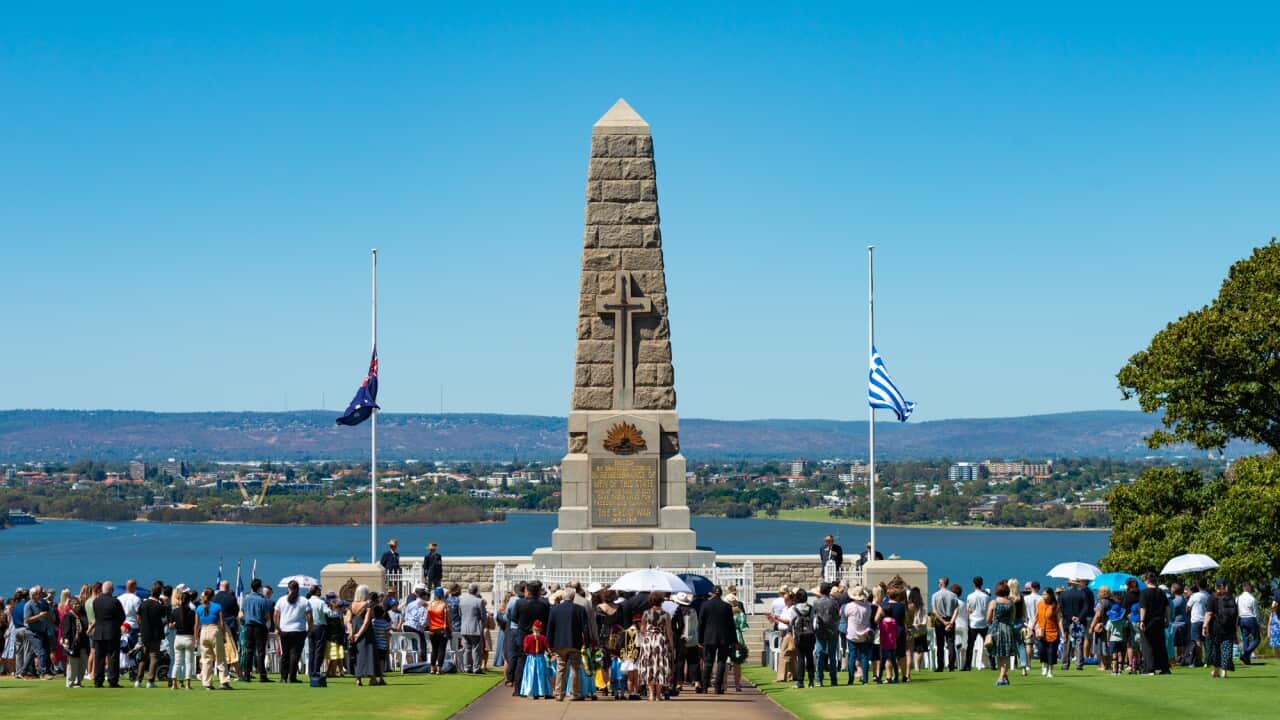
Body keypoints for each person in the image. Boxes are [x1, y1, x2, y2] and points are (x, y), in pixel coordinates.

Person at [546, 587, 588, 701]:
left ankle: (559, 694)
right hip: (575, 642)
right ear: (573, 597)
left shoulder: (554, 609)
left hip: (559, 643)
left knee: (561, 668)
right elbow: (585, 628)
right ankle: (575, 693)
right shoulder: (580, 609)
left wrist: (549, 644)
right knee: (575, 668)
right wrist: (587, 642)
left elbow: (550, 628)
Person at [696, 585, 735, 694]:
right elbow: (731, 625)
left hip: (709, 637)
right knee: (721, 662)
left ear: (712, 593)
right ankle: (718, 687)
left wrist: (700, 639)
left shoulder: (705, 605)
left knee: (708, 662)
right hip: (723, 638)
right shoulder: (726, 606)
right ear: (721, 594)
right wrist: (734, 640)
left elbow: (701, 624)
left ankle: (705, 687)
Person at [636, 592, 672, 702]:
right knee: (660, 666)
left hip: (648, 640)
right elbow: (669, 632)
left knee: (649, 665)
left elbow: (642, 629)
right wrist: (671, 645)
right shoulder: (666, 614)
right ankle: (658, 695)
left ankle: (651, 694)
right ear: (661, 601)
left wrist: (645, 636)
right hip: (660, 640)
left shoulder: (646, 613)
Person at [273, 580, 311, 683]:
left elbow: (275, 615)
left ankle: (283, 677)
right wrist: (310, 628)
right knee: (295, 654)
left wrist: (277, 627)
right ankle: (292, 677)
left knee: (285, 654)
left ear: (288, 588)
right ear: (298, 589)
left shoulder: (281, 600)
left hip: (284, 630)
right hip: (299, 630)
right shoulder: (304, 601)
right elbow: (309, 616)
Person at [195, 587, 232, 690]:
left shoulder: (199, 608)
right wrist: (223, 635)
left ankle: (207, 683)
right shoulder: (217, 607)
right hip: (214, 630)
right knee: (220, 658)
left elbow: (196, 625)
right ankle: (224, 682)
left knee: (206, 659)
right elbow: (221, 623)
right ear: (213, 596)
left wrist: (196, 638)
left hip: (203, 631)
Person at [90, 580, 125, 688]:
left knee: (99, 658)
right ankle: (112, 680)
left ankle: (98, 680)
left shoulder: (96, 601)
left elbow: (97, 616)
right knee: (113, 657)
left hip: (99, 632)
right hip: (112, 632)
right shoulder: (115, 601)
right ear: (112, 590)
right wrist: (115, 625)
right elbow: (122, 617)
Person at [135, 580, 169, 688]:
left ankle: (138, 680)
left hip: (145, 633)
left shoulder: (143, 604)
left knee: (143, 657)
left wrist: (142, 626)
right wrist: (163, 603)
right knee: (154, 657)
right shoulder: (159, 606)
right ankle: (150, 680)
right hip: (155, 634)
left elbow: (138, 617)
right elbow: (164, 617)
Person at [1203, 578, 1238, 679]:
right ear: (1225, 586)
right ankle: (1224, 672)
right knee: (1226, 649)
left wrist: (1205, 626)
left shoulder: (1212, 598)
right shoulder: (1231, 597)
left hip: (1215, 628)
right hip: (1229, 628)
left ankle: (1216, 671)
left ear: (1215, 586)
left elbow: (1209, 613)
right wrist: (1235, 629)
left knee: (1216, 650)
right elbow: (1235, 615)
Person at [239, 578, 272, 682]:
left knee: (249, 651)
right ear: (259, 588)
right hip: (259, 626)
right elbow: (267, 616)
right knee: (261, 651)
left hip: (249, 626)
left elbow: (241, 614)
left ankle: (247, 675)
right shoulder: (263, 600)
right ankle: (262, 675)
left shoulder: (246, 599)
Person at [1138, 571, 1171, 675]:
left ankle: (1150, 668)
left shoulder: (1144, 593)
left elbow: (1143, 608)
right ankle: (1164, 668)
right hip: (1159, 621)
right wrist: (1167, 619)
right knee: (1160, 645)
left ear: (1147, 580)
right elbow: (1167, 607)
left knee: (1147, 645)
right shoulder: (1161, 592)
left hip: (1148, 621)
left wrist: (1141, 620)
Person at [1058, 578, 1093, 671]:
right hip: (1080, 621)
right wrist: (1079, 617)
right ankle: (1079, 664)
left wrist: (1070, 617)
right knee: (1079, 642)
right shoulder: (1083, 593)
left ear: (1069, 584)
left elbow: (1061, 608)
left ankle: (1065, 664)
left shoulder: (1063, 594)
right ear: (1077, 584)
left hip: (1067, 621)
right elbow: (1086, 607)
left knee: (1067, 642)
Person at [986, 581, 1017, 687]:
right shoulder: (1011, 603)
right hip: (1007, 629)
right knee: (1006, 654)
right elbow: (1012, 618)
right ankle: (1004, 676)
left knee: (998, 654)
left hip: (996, 629)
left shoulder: (993, 602)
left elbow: (988, 619)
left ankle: (1001, 678)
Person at [843, 586, 875, 685]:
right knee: (864, 657)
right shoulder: (868, 606)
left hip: (852, 634)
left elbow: (846, 618)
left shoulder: (849, 606)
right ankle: (865, 679)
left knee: (852, 657)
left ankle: (851, 679)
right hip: (864, 634)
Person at [812, 581, 841, 686]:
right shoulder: (834, 602)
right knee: (832, 656)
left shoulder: (816, 602)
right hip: (832, 631)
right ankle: (833, 679)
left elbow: (813, 617)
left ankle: (819, 679)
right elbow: (837, 616)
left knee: (820, 655)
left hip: (820, 631)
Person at [21, 586, 54, 679]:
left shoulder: (39, 603)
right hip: (32, 632)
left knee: (31, 653)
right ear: (32, 595)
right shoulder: (28, 605)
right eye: (37, 594)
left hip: (40, 631)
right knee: (41, 651)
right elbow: (27, 620)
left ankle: (22, 672)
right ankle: (43, 673)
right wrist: (39, 616)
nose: (40, 595)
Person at [671, 592, 701, 692]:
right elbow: (696, 625)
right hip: (693, 639)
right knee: (694, 661)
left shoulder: (677, 611)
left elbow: (675, 626)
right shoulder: (693, 611)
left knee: (680, 662)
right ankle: (697, 682)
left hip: (681, 640)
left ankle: (679, 683)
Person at [930, 576, 959, 672]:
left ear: (942, 583)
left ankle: (940, 666)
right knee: (951, 643)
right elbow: (956, 610)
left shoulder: (935, 595)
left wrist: (943, 622)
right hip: (950, 619)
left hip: (940, 621)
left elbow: (934, 611)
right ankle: (951, 666)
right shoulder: (953, 595)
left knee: (940, 644)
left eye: (939, 582)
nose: (938, 584)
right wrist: (951, 622)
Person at [351, 585, 378, 686]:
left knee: (357, 655)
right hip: (366, 632)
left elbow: (347, 620)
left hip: (355, 629)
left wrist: (352, 633)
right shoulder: (368, 604)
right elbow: (366, 622)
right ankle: (372, 678)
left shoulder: (352, 604)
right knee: (369, 654)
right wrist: (359, 634)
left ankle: (358, 679)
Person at [60, 595, 89, 688]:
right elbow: (66, 630)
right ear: (71, 605)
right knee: (73, 664)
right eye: (75, 604)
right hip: (73, 643)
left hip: (83, 642)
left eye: (78, 604)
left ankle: (78, 681)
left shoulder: (82, 615)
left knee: (83, 663)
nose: (77, 605)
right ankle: (71, 682)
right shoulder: (68, 616)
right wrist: (66, 640)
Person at [170, 588, 196, 690]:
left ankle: (174, 683)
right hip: (188, 637)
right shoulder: (192, 612)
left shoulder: (175, 611)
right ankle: (188, 684)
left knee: (177, 662)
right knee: (188, 662)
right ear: (189, 601)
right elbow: (194, 626)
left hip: (178, 638)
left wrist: (175, 625)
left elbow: (171, 625)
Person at [459, 583, 488, 674]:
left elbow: (460, 614)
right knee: (476, 649)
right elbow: (483, 616)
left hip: (464, 627)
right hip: (475, 627)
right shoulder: (479, 601)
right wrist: (483, 625)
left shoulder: (462, 600)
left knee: (467, 649)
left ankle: (467, 667)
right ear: (476, 591)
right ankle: (476, 668)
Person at [520, 620, 553, 699]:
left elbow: (525, 649)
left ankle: (532, 692)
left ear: (532, 628)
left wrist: (527, 651)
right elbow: (547, 648)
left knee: (531, 675)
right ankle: (544, 691)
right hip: (540, 658)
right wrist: (551, 654)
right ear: (541, 629)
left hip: (531, 658)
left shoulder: (528, 638)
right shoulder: (543, 638)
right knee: (541, 674)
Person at [963, 576, 989, 671]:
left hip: (973, 623)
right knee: (988, 644)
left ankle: (968, 665)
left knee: (970, 646)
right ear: (982, 584)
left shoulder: (970, 596)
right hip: (983, 623)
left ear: (974, 584)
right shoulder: (986, 597)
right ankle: (993, 664)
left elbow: (968, 610)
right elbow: (988, 609)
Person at [1035, 588, 1062, 677]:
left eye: (1045, 594)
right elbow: (1037, 616)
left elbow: (1059, 620)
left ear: (1050, 595)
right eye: (1042, 594)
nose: (1043, 596)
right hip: (1041, 633)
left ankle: (1050, 671)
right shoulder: (1040, 604)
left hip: (1053, 632)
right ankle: (1044, 665)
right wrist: (1031, 627)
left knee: (1051, 652)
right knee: (1042, 650)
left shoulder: (1055, 606)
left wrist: (1062, 632)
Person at [427, 587, 451, 675]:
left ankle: (432, 668)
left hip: (432, 629)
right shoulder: (444, 605)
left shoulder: (430, 605)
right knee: (441, 649)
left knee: (434, 649)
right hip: (442, 629)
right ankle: (439, 669)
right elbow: (448, 619)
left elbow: (428, 617)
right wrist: (450, 630)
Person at [306, 586, 329, 680]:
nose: (320, 592)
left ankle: (311, 671)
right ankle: (316, 671)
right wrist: (334, 609)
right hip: (319, 626)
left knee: (311, 650)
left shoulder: (307, 601)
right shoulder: (321, 602)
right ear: (316, 592)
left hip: (309, 626)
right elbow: (328, 612)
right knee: (319, 650)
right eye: (319, 591)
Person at [1186, 580, 1210, 667]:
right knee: (1206, 641)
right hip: (1206, 620)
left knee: (1197, 641)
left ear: (1198, 586)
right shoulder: (1208, 596)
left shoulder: (1194, 596)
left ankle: (1199, 660)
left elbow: (1187, 607)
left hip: (1196, 620)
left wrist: (1189, 613)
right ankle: (1208, 659)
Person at [1237, 581, 1260, 664]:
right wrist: (1258, 622)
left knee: (1245, 639)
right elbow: (1256, 612)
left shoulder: (1238, 598)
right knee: (1257, 639)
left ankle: (1247, 660)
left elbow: (1236, 610)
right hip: (1251, 618)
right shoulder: (1252, 598)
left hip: (1241, 619)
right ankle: (1245, 654)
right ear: (1248, 587)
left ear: (1243, 588)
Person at [1169, 582, 1189, 665]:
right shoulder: (1182, 598)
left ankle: (1180, 659)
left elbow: (1169, 608)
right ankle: (1182, 659)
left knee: (1179, 643)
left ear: (1174, 590)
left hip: (1178, 624)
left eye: (1171, 588)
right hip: (1183, 623)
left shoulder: (1177, 600)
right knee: (1181, 643)